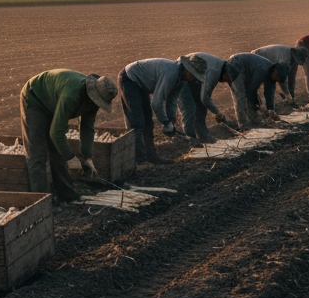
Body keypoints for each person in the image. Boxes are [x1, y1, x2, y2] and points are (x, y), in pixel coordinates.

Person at [20, 70, 117, 201]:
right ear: (93, 93)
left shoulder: (93, 102)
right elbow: (56, 132)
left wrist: (87, 157)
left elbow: (87, 128)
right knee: (37, 154)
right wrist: (71, 158)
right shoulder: (71, 96)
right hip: (35, 98)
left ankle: (67, 194)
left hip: (52, 100)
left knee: (58, 152)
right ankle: (42, 200)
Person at [118, 56, 208, 164]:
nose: (194, 79)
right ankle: (139, 161)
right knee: (137, 123)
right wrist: (165, 122)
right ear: (188, 70)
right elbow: (156, 103)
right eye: (194, 75)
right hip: (129, 78)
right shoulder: (171, 74)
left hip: (142, 84)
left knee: (148, 122)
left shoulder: (182, 80)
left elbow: (172, 100)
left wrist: (171, 120)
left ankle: (152, 157)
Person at [175, 53, 240, 147]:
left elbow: (203, 100)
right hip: (185, 71)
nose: (226, 81)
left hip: (196, 76)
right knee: (189, 108)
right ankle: (190, 139)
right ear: (226, 74)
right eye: (227, 79)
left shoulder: (221, 67)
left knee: (201, 107)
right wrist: (217, 113)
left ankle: (203, 135)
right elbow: (205, 98)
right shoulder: (214, 72)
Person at [227, 53, 290, 129]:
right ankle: (243, 125)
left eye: (277, 79)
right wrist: (255, 104)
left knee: (249, 96)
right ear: (275, 69)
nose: (275, 79)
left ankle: (253, 120)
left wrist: (270, 109)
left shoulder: (273, 75)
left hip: (247, 71)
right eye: (276, 76)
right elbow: (252, 89)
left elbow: (269, 93)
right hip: (236, 63)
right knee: (240, 95)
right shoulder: (262, 70)